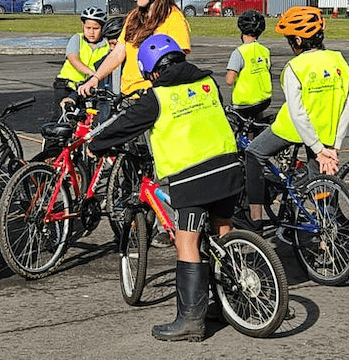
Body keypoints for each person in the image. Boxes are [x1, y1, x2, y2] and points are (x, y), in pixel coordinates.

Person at [87, 35, 243, 342]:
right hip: (228, 167)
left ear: (154, 71)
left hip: (192, 178)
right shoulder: (207, 82)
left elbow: (126, 125)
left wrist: (96, 145)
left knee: (187, 243)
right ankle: (230, 299)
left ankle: (190, 321)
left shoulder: (156, 98)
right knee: (222, 229)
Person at [242, 6, 349, 228]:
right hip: (326, 132)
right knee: (322, 181)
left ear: (298, 41)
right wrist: (332, 146)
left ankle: (255, 219)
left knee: (253, 154)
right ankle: (329, 235)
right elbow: (347, 105)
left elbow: (297, 113)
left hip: (292, 129)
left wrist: (317, 148)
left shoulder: (294, 67)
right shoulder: (338, 60)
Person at [76, 0, 190, 97]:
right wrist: (95, 78)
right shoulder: (134, 17)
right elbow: (118, 53)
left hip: (153, 96)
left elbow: (176, 65)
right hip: (128, 94)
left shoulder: (174, 19)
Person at [53, 7, 110, 97]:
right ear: (83, 26)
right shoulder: (77, 39)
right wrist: (92, 73)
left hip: (90, 87)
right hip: (67, 86)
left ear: (102, 28)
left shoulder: (107, 45)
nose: (91, 32)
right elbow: (73, 58)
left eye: (96, 28)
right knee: (65, 104)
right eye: (88, 28)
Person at [226, 9, 272, 120]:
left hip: (244, 102)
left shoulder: (239, 52)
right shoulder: (264, 50)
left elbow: (229, 80)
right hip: (264, 100)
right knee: (257, 116)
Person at [95, 15, 125, 93]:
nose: (111, 48)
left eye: (114, 44)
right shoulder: (105, 61)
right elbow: (93, 78)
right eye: (110, 44)